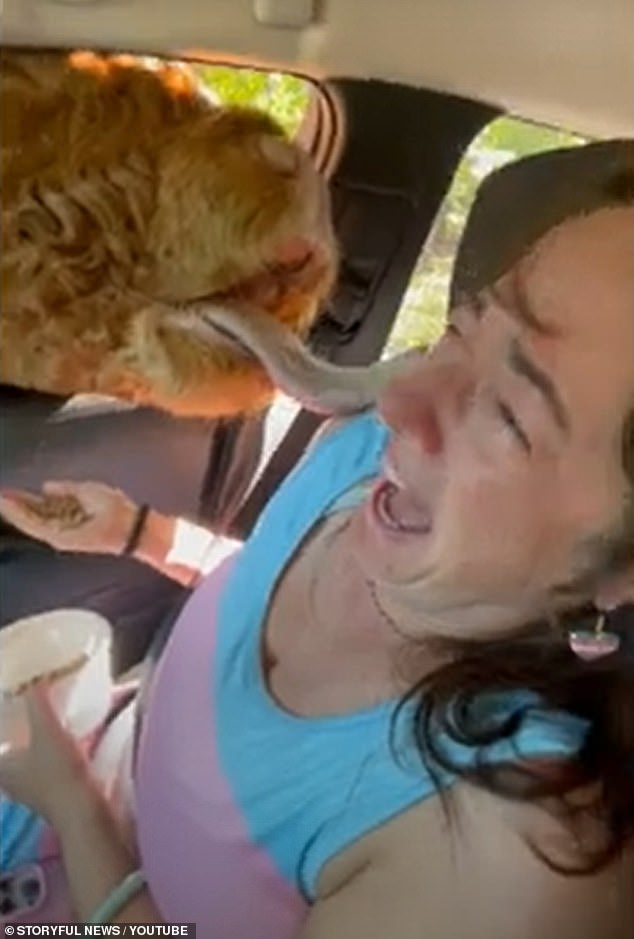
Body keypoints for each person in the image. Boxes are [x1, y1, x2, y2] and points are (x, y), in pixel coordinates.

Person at [0, 141, 633, 939]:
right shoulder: (361, 459)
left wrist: (69, 802)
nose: (398, 399)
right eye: (461, 329)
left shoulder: (498, 854)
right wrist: (138, 532)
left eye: (509, 413)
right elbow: (261, 574)